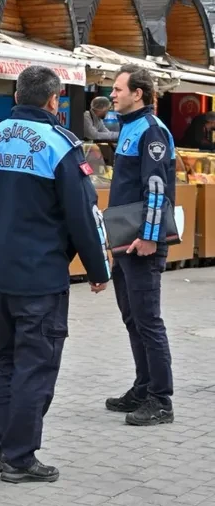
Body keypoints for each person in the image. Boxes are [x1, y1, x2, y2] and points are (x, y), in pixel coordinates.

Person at [0, 65, 111, 484]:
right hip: (40, 275)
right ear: (54, 100)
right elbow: (83, 215)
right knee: (36, 365)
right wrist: (98, 268)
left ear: (17, 94)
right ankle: (19, 457)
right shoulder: (60, 145)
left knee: (6, 360)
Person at [105, 66, 176, 426]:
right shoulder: (129, 128)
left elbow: (156, 188)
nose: (112, 94)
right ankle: (144, 386)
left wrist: (150, 236)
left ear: (139, 93)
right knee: (133, 318)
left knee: (148, 321)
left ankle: (161, 400)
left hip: (141, 242)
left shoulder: (151, 131)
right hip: (124, 241)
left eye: (118, 89)